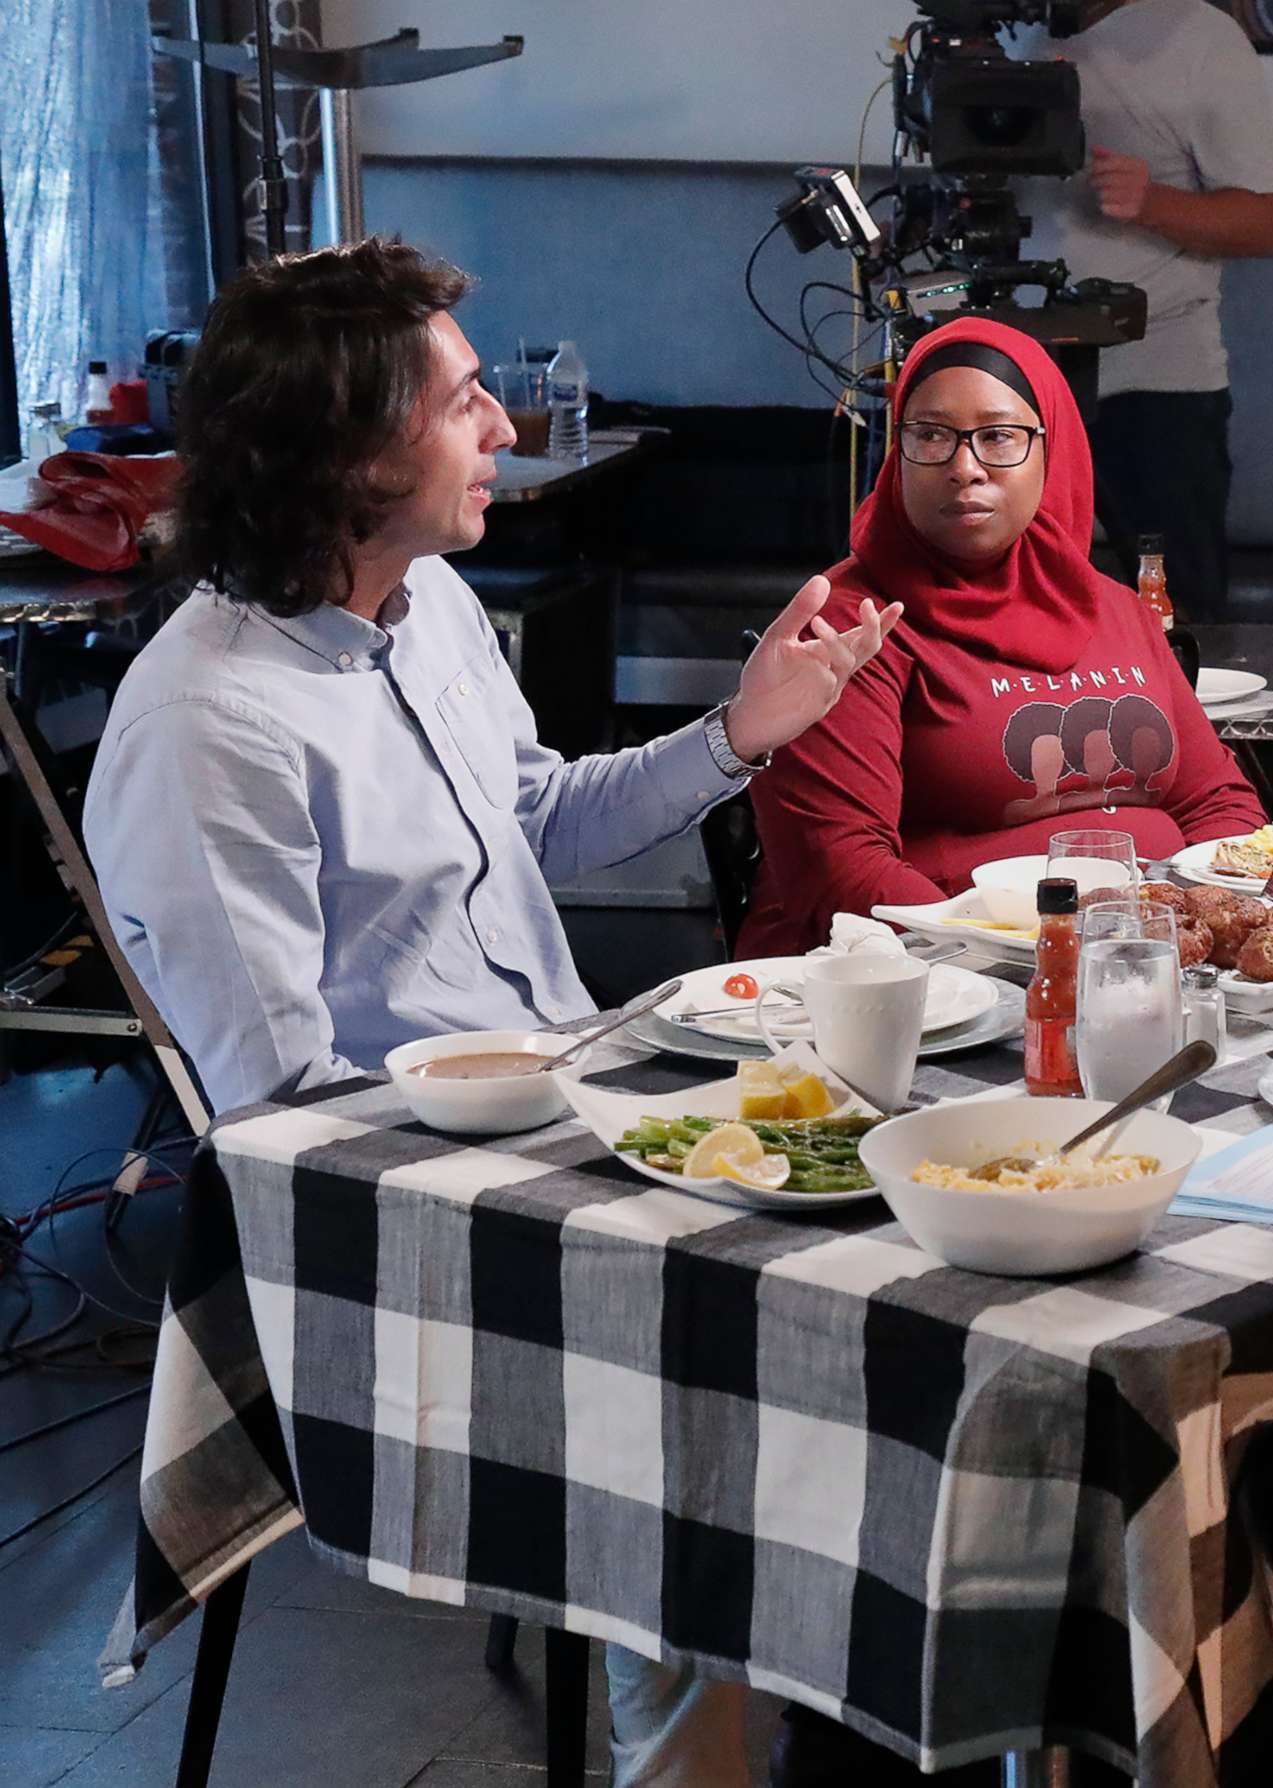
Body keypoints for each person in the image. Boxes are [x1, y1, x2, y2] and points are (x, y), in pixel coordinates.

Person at [84, 238, 896, 1788]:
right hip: (399, 1223)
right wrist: (575, 1137)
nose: (508, 432)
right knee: (734, 1369)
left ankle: (838, 1716)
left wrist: (744, 728)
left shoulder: (433, 602)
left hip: (558, 1118)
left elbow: (537, 818)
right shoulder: (209, 721)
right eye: (467, 405)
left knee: (864, 1213)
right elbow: (285, 1123)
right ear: (349, 453)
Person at [734, 316, 1266, 956]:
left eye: (999, 436)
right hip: (926, 985)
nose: (965, 467)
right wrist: (1049, 961)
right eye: (930, 436)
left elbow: (1222, 805)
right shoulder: (851, 626)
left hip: (1141, 962)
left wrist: (1184, 929)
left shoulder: (1117, 608)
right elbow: (842, 874)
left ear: (1053, 449)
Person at [1017, 0, 1273, 620]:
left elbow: (1265, 224)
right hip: (1017, 383)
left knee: (1174, 625)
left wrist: (1153, 202)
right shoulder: (1013, 37)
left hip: (1153, 392)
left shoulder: (1200, 39)